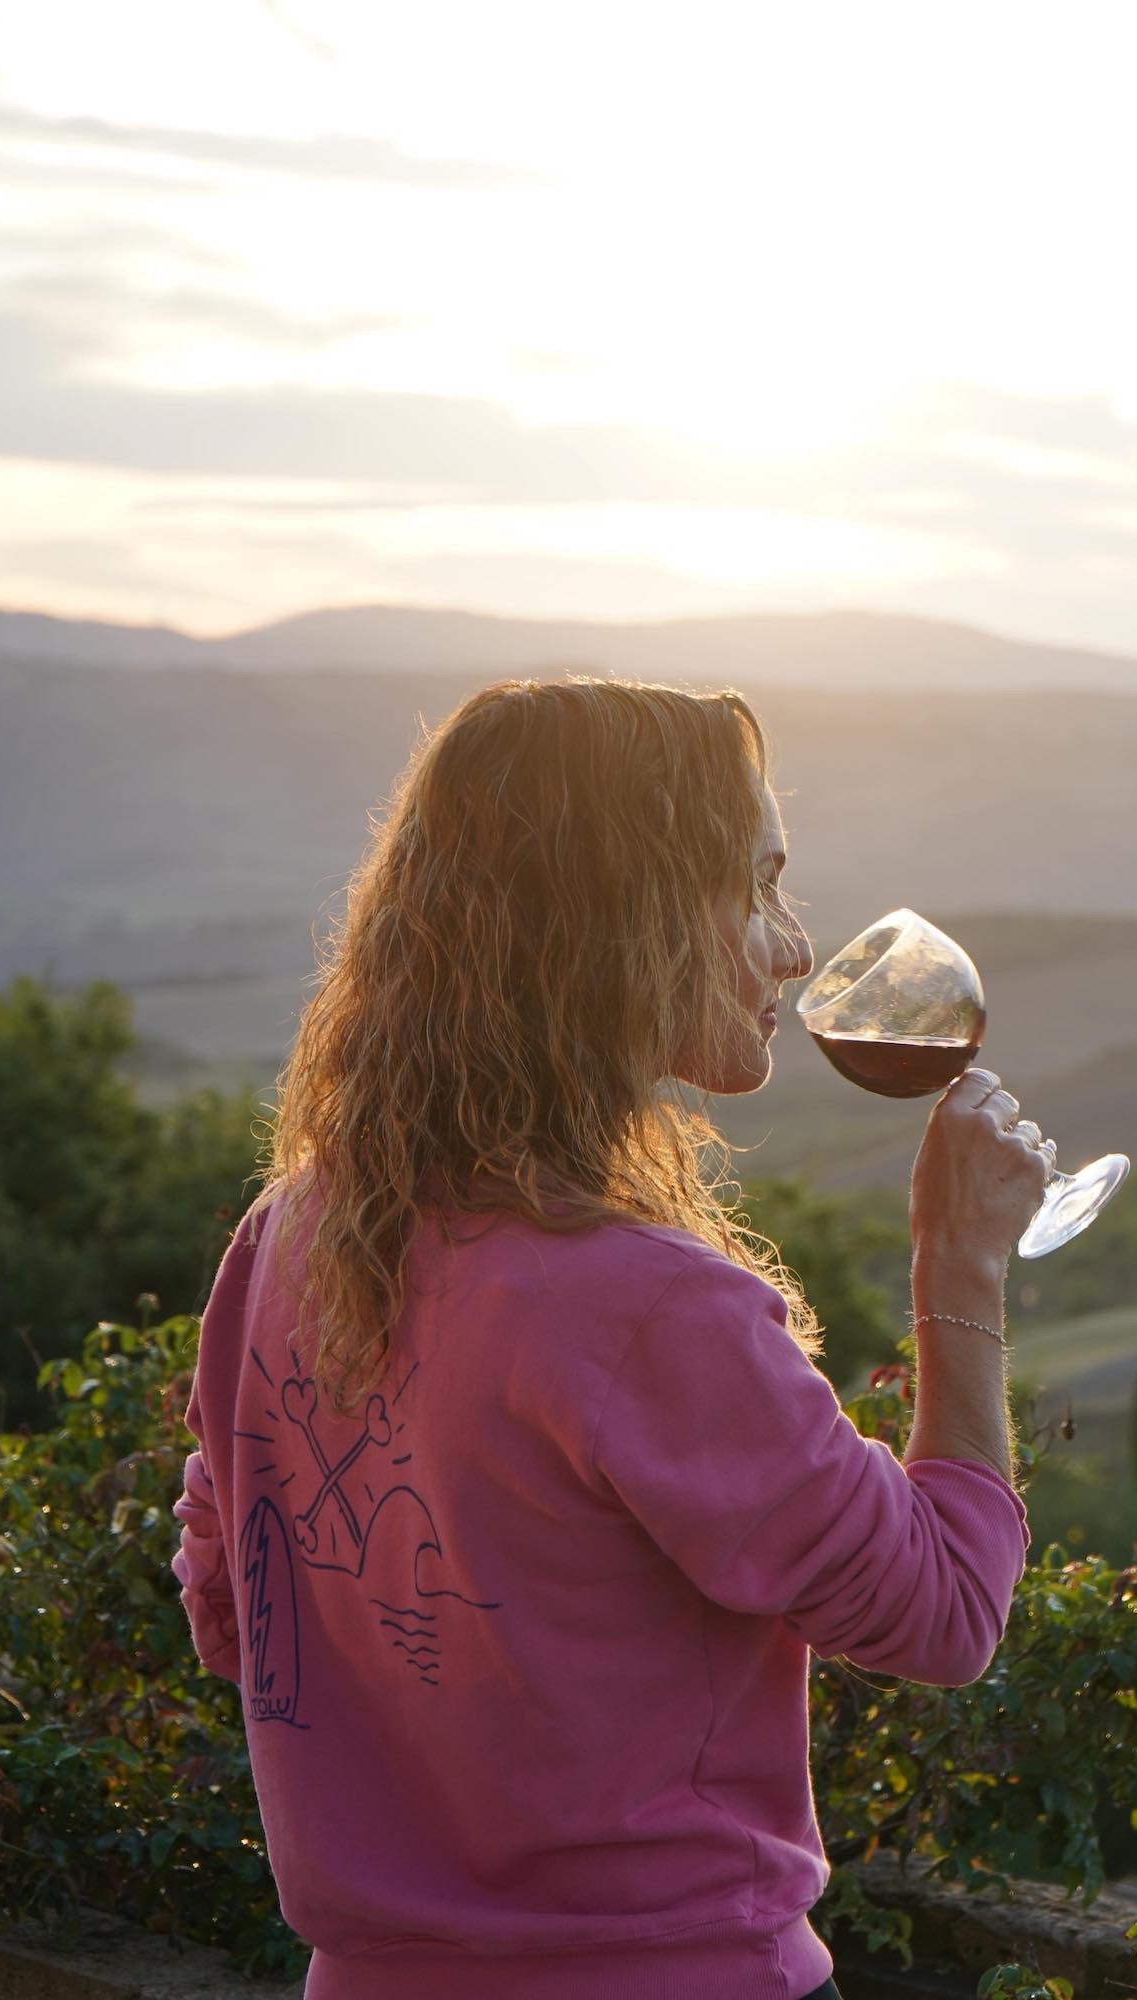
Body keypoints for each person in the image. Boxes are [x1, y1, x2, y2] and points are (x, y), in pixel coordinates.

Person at [169, 677, 1048, 2000]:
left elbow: (234, 1612)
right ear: (624, 920)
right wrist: (961, 1267)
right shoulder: (649, 1307)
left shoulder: (286, 1238)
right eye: (754, 889)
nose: (795, 948)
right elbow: (945, 1612)